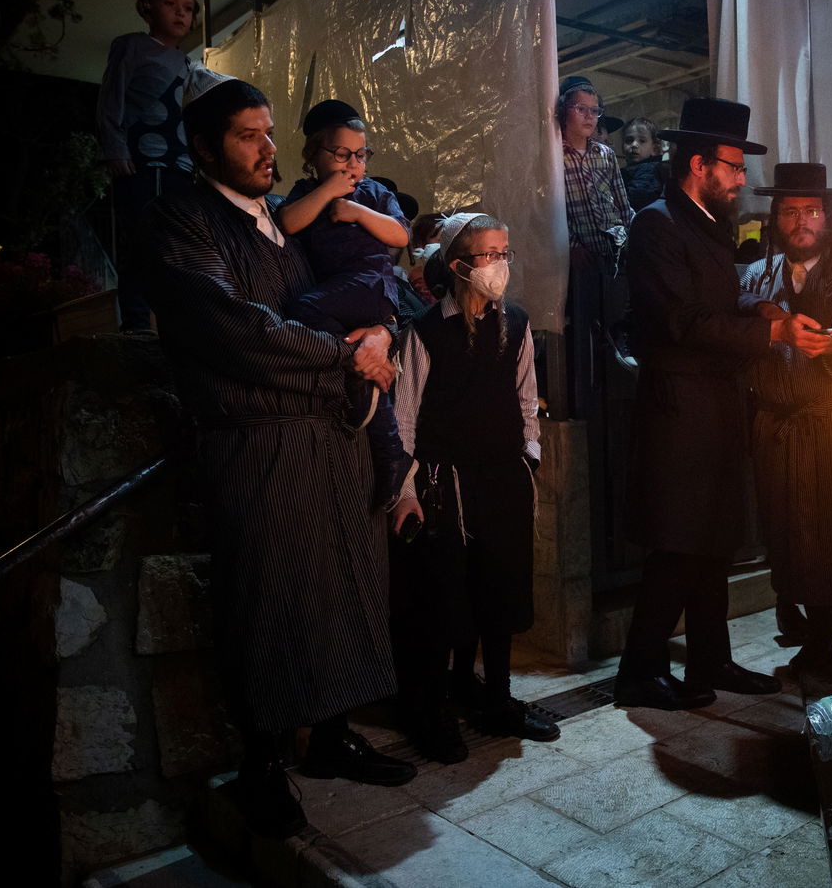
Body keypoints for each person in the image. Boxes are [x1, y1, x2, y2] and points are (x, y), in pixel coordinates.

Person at [134, 71, 415, 839]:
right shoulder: (182, 221)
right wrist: (342, 355)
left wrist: (383, 331)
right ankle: (259, 761)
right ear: (201, 147)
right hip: (258, 439)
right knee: (270, 596)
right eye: (245, 135)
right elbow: (234, 325)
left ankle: (330, 735)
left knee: (348, 585)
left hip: (333, 434)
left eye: (267, 132)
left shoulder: (281, 225)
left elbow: (367, 291)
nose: (265, 149)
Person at [616, 97, 832, 711]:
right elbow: (684, 321)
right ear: (697, 165)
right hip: (680, 407)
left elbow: (716, 305)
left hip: (715, 404)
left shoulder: (707, 224)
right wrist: (774, 333)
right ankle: (640, 670)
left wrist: (757, 308)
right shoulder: (657, 224)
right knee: (677, 542)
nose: (741, 180)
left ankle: (711, 659)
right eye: (733, 168)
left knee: (710, 538)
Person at [390, 212, 557, 759]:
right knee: (446, 600)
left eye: (505, 252)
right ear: (459, 264)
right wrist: (406, 489)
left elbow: (526, 396)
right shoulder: (425, 332)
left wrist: (528, 454)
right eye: (490, 254)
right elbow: (406, 414)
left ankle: (497, 700)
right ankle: (435, 712)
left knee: (501, 591)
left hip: (503, 478)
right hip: (447, 485)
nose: (501, 264)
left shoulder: (516, 323)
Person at [743, 164, 832, 674]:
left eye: (810, 211)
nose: (801, 222)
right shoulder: (758, 273)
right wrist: (761, 311)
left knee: (826, 539)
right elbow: (735, 300)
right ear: (775, 218)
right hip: (774, 429)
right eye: (789, 212)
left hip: (824, 428)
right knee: (786, 535)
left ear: (826, 218)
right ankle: (812, 635)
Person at [277, 99, 415, 510]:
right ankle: (393, 453)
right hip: (342, 294)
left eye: (360, 154)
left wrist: (354, 209)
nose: (353, 163)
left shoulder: (374, 193)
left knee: (302, 310)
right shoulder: (306, 194)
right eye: (341, 154)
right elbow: (287, 223)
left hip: (370, 284)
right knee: (361, 368)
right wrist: (328, 192)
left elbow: (400, 236)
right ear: (312, 156)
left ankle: (359, 370)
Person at [96, 0, 199, 332]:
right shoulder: (131, 46)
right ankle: (137, 326)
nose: (180, 13)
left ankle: (174, 325)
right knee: (141, 241)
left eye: (188, 7)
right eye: (170, 3)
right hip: (142, 162)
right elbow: (111, 98)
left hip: (181, 168)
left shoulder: (188, 63)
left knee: (177, 246)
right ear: (146, 7)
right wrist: (115, 147)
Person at [559, 75, 634, 419]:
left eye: (595, 110)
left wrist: (632, 237)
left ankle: (617, 394)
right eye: (581, 109)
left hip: (613, 251)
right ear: (564, 110)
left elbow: (621, 201)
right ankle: (584, 401)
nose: (590, 117)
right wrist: (570, 243)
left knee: (617, 321)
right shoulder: (553, 154)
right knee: (583, 327)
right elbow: (550, 207)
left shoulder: (604, 154)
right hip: (579, 255)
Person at [622, 116, 668, 211]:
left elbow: (638, 196)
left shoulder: (651, 169)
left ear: (654, 149)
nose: (634, 145)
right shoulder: (631, 170)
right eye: (629, 140)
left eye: (642, 141)